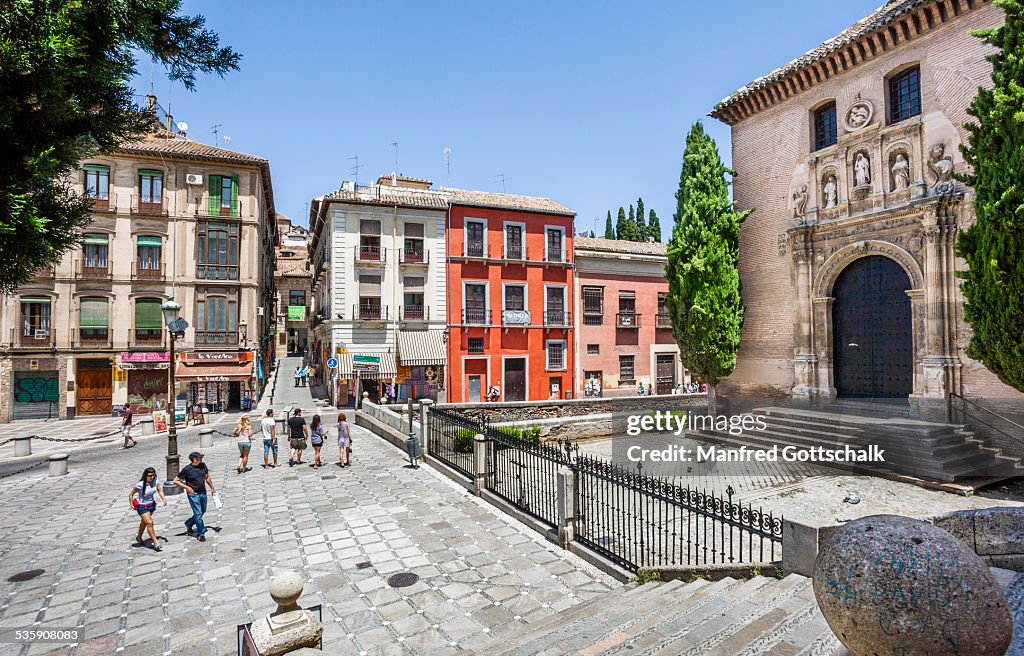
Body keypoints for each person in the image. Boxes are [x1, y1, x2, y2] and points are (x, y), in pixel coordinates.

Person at [174, 452, 216, 542]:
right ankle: (201, 534)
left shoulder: (203, 465)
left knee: (203, 511)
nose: (201, 459)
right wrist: (187, 488)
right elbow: (176, 481)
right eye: (200, 457)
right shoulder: (187, 469)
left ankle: (189, 523)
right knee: (198, 514)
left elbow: (207, 477)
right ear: (194, 459)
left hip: (203, 492)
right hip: (194, 494)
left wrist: (212, 487)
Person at [129, 466, 166, 550]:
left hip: (152, 505)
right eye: (150, 475)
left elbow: (159, 490)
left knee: (144, 522)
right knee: (149, 523)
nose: (152, 477)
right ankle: (156, 542)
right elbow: (131, 494)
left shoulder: (155, 481)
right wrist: (131, 504)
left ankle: (139, 537)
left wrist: (163, 498)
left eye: (153, 475)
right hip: (143, 506)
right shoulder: (140, 484)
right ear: (145, 475)